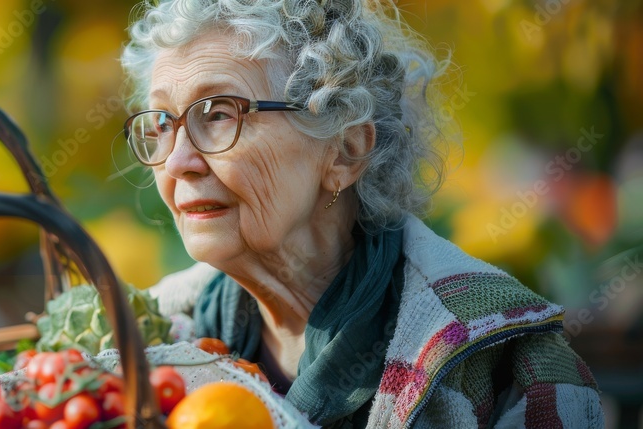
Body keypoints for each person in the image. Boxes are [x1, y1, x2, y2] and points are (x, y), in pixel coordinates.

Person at [121, 0, 603, 427]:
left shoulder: (507, 366)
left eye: (219, 113)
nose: (178, 161)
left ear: (345, 152)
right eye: (163, 122)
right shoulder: (147, 342)